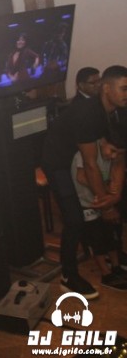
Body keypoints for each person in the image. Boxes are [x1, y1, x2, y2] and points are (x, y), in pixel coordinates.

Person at [42, 65, 127, 299]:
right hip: (57, 162)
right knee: (75, 220)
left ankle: (113, 255)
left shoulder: (115, 111)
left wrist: (115, 193)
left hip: (76, 157)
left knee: (113, 205)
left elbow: (118, 152)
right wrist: (106, 205)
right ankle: (68, 276)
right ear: (106, 89)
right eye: (124, 89)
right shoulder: (87, 113)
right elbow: (90, 166)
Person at [71, 131, 127, 290]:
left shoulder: (111, 156)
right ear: (103, 142)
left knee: (110, 232)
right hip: (88, 204)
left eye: (119, 154)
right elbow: (82, 177)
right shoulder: (85, 152)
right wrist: (103, 191)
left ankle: (116, 267)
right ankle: (106, 273)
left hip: (102, 200)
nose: (114, 156)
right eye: (113, 151)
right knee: (96, 239)